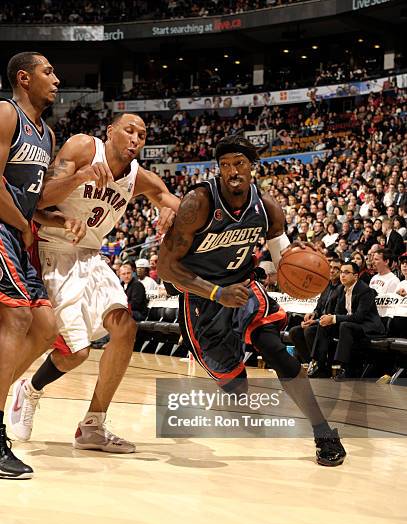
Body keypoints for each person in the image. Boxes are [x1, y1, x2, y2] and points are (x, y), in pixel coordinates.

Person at [158, 135, 346, 467]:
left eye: (240, 163)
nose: (233, 170)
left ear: (253, 168)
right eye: (226, 164)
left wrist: (295, 264)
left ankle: (323, 431)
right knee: (235, 384)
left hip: (243, 292)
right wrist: (217, 293)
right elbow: (167, 268)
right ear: (218, 169)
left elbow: (280, 259)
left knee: (278, 354)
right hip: (202, 300)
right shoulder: (198, 203)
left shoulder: (268, 207)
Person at [9, 113, 179, 452]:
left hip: (91, 255)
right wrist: (83, 176)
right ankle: (28, 390)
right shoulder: (84, 148)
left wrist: (172, 211)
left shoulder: (139, 177)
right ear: (110, 131)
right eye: (129, 130)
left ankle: (93, 425)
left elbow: (173, 201)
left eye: (142, 135)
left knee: (125, 328)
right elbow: (38, 199)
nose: (135, 139)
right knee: (75, 354)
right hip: (52, 249)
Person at [0, 52, 84, 479]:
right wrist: (23, 223)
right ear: (23, 77)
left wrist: (54, 217)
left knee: (47, 328)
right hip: (1, 230)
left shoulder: (47, 133)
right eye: (48, 71)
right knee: (15, 320)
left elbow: (33, 201)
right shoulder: (4, 114)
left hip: (18, 233)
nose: (56, 77)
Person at [312, 261, 385, 380]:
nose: (342, 275)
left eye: (346, 272)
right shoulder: (341, 289)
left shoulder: (365, 290)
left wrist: (334, 318)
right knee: (324, 325)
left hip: (368, 326)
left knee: (345, 326)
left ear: (355, 276)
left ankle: (344, 369)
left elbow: (359, 317)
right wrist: (328, 318)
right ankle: (320, 365)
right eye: (341, 272)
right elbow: (337, 312)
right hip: (351, 325)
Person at [290, 259, 341, 374]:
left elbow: (336, 313)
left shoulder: (341, 289)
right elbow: (319, 307)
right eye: (331, 267)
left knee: (309, 331)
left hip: (331, 324)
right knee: (294, 331)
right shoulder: (326, 285)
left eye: (336, 269)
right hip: (320, 322)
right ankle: (309, 363)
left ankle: (320, 365)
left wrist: (316, 321)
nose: (332, 271)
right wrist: (313, 314)